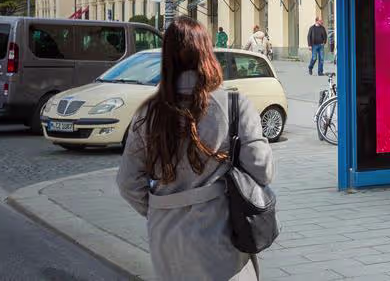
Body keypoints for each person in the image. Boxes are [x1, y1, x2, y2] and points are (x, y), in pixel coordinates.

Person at [116, 16, 274, 281]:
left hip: (166, 238)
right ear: (206, 53)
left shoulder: (148, 113)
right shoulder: (234, 104)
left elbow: (127, 182)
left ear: (167, 58)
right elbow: (262, 170)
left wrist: (162, 207)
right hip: (221, 232)